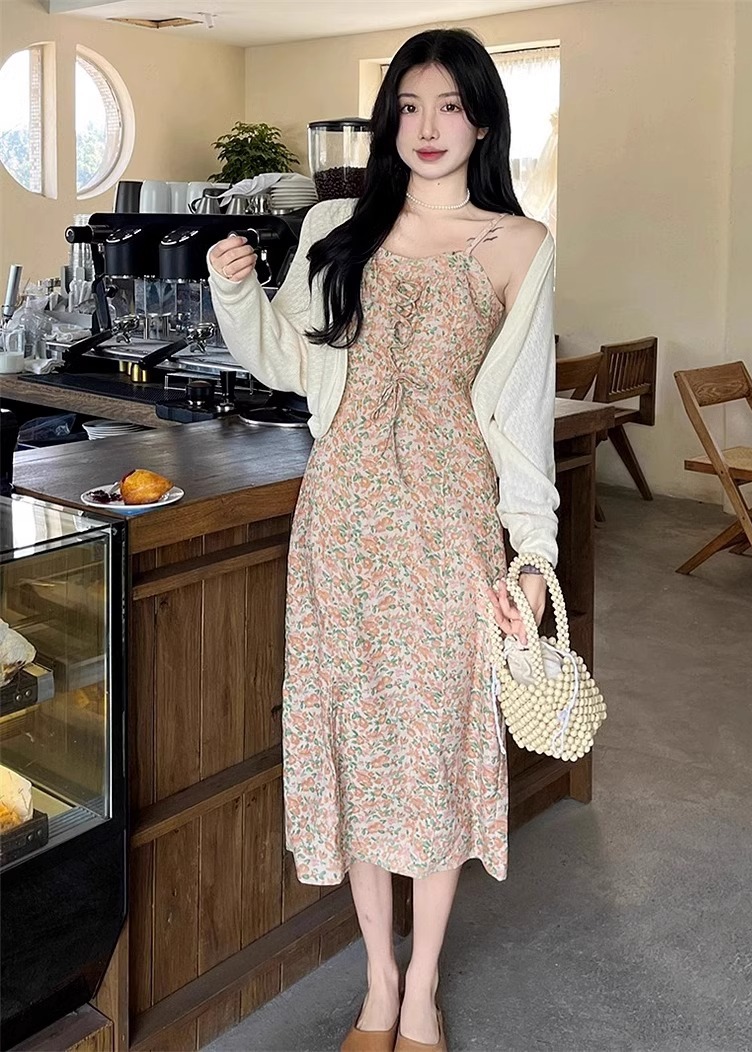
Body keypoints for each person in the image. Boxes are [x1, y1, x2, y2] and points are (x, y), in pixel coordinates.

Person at [207, 26, 559, 1052]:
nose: (427, 126)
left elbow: (524, 416)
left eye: (449, 105)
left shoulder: (520, 243)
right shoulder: (337, 225)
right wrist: (235, 288)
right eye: (408, 106)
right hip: (343, 522)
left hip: (450, 527)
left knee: (437, 747)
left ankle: (424, 989)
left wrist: (531, 557)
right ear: (387, 120)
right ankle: (378, 981)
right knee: (357, 746)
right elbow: (285, 359)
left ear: (483, 118)